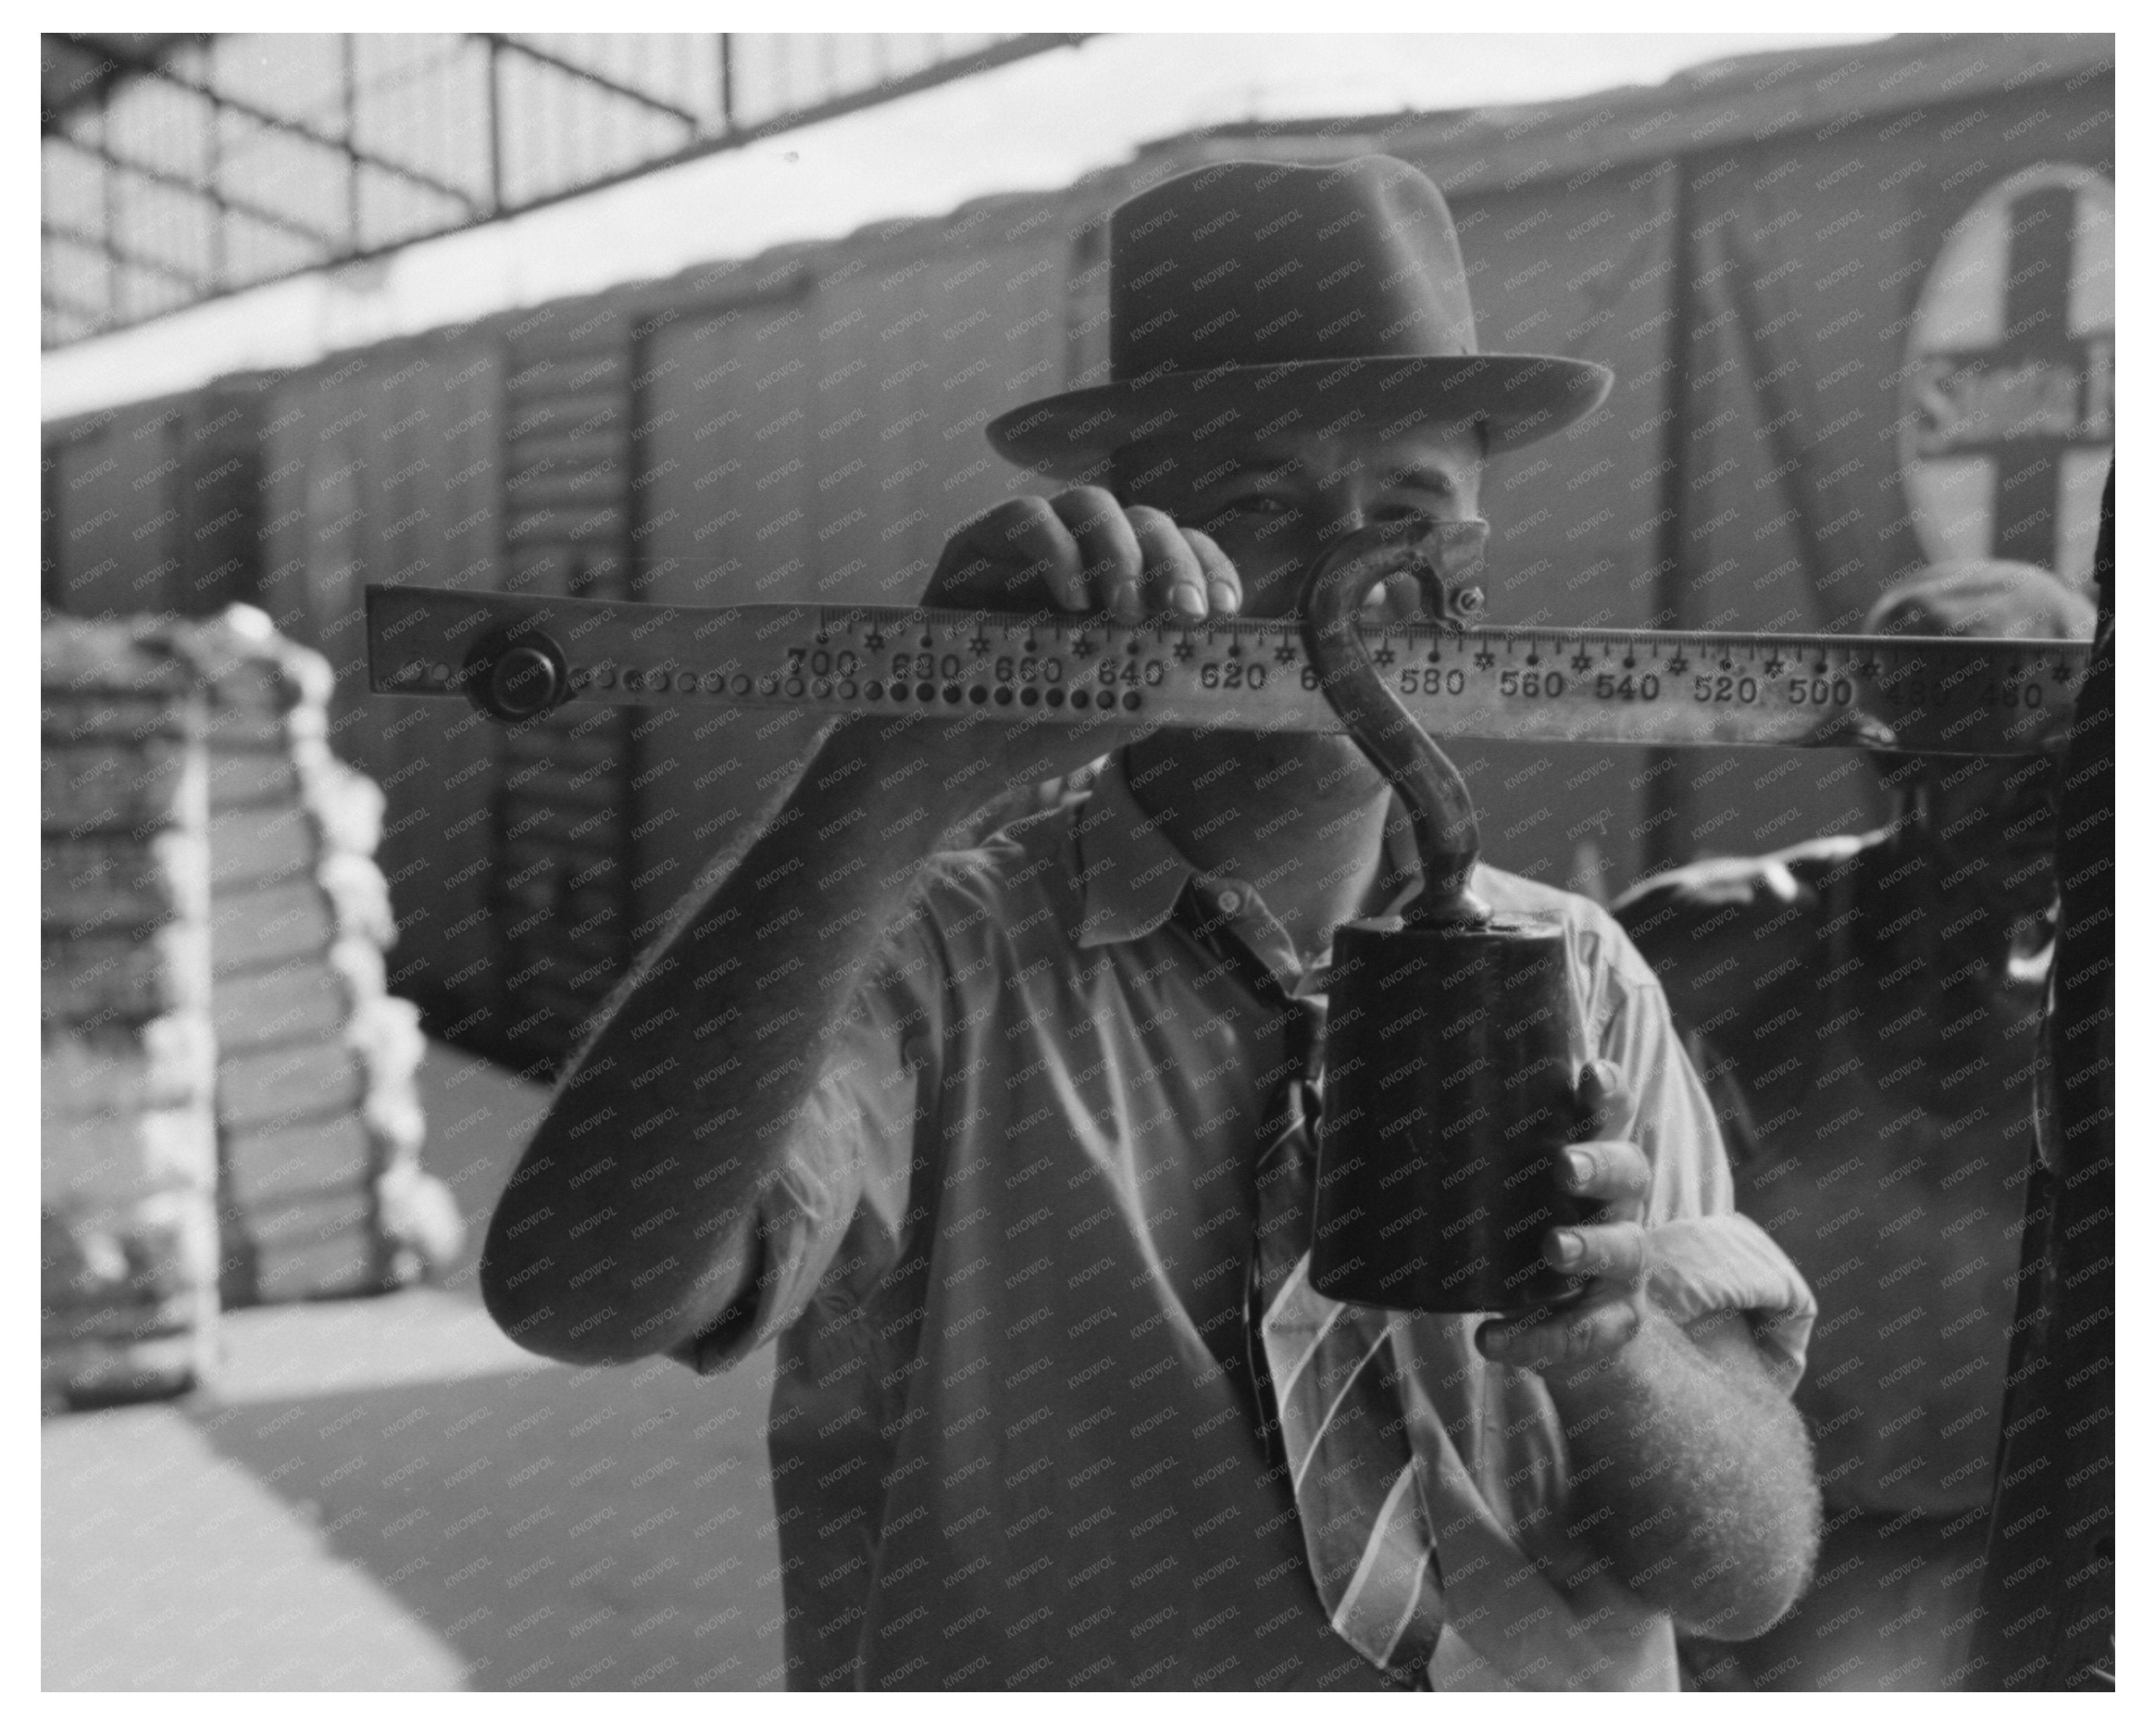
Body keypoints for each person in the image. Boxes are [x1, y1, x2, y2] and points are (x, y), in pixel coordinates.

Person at [481, 155, 1822, 1692]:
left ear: (1472, 571)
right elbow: (579, 1292)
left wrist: (1613, 1348)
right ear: (1123, 533)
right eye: (1263, 503)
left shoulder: (1577, 975)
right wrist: (893, 769)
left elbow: (1747, 1575)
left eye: (1406, 511)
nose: (1340, 576)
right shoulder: (935, 965)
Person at [1612, 561, 2098, 1692]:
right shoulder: (1714, 950)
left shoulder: (2110, 996)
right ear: (1894, 754)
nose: (2046, 797)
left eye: (2073, 759)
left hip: (2030, 1550)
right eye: (2002, 754)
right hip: (1776, 1548)